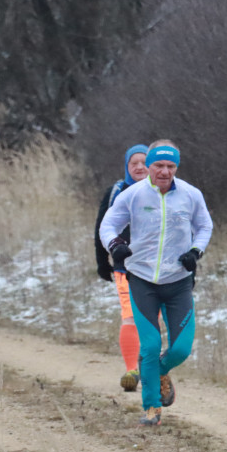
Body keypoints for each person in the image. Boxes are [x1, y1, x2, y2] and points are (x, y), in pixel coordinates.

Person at [99, 140, 213, 426]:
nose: (164, 171)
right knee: (149, 347)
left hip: (178, 282)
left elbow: (205, 226)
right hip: (142, 281)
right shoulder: (133, 194)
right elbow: (107, 225)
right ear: (148, 166)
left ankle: (159, 370)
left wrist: (195, 251)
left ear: (176, 167)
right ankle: (151, 407)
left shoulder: (190, 194)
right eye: (158, 166)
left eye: (170, 166)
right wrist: (115, 246)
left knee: (181, 349)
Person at [94, 144, 149, 392]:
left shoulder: (167, 192)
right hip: (124, 266)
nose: (139, 167)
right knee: (130, 316)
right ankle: (131, 371)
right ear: (127, 166)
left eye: (144, 162)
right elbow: (101, 229)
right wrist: (101, 261)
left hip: (158, 269)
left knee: (150, 320)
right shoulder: (116, 191)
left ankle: (147, 365)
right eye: (133, 163)